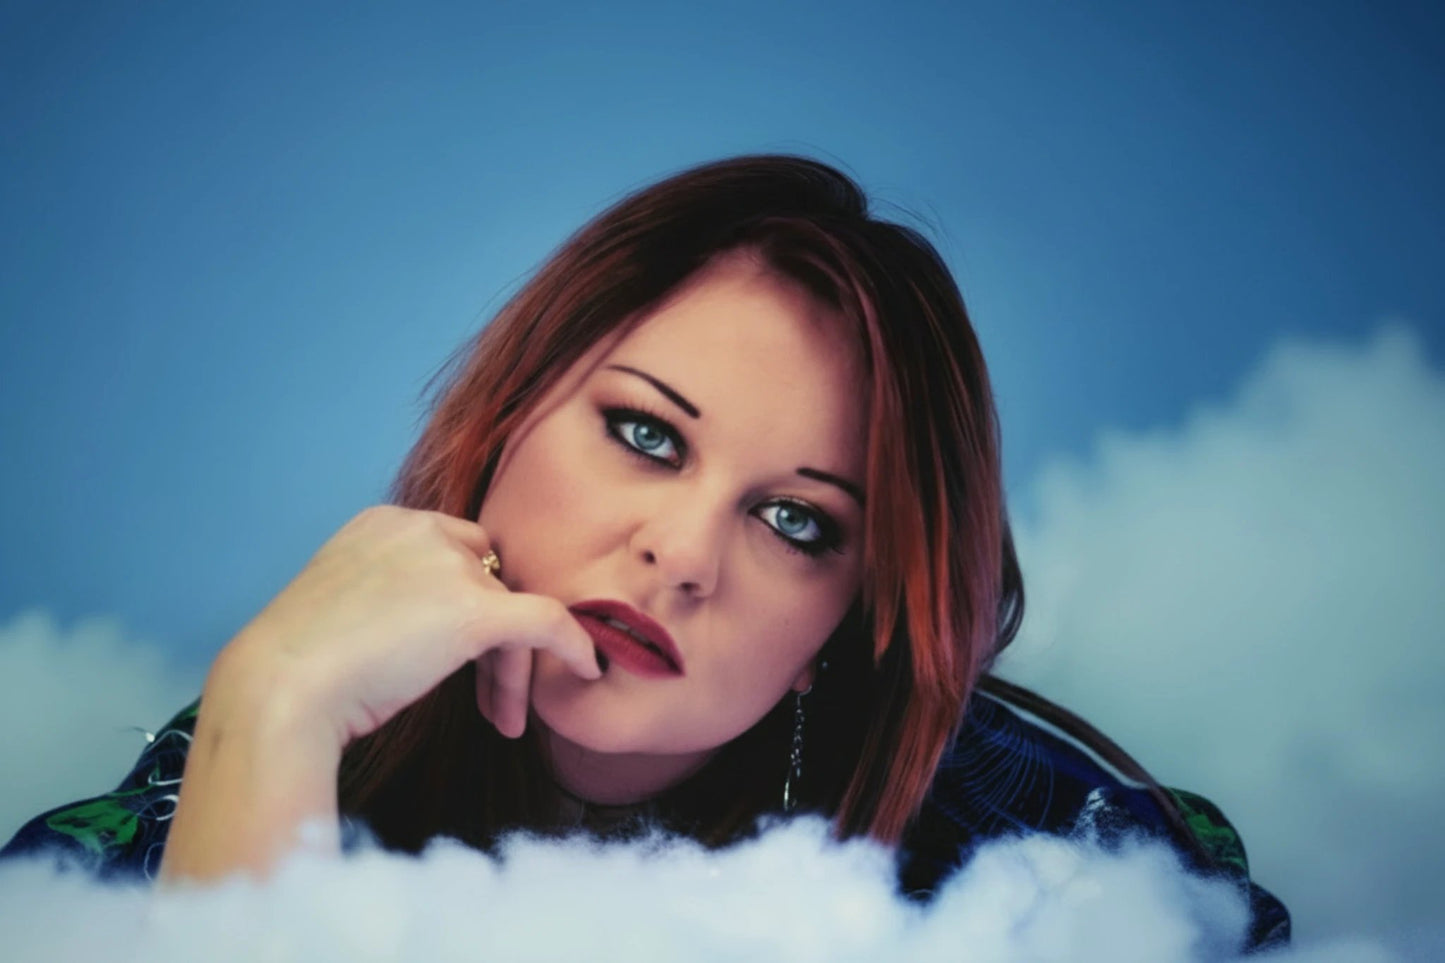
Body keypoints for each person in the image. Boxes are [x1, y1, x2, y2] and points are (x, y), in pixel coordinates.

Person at [2, 155, 1289, 950]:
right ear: (503, 422)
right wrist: (269, 705)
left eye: (797, 522)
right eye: (644, 434)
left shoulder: (1031, 845)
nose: (680, 555)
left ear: (840, 626)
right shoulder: (272, 736)